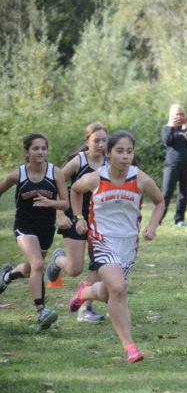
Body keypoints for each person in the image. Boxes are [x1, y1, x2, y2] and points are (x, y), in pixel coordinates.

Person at [68, 131, 164, 362]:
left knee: (112, 291)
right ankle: (129, 345)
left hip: (129, 244)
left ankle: (85, 292)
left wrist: (152, 225)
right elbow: (74, 191)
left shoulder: (140, 178)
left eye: (129, 151)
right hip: (101, 240)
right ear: (108, 153)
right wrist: (78, 218)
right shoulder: (95, 178)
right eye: (120, 151)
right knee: (119, 289)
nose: (125, 156)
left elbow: (159, 201)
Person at [0, 133, 69, 330]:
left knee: (31, 269)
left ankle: (7, 276)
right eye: (36, 148)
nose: (40, 152)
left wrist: (50, 202)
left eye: (43, 148)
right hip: (24, 226)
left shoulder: (55, 173)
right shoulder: (17, 175)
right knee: (38, 263)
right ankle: (42, 312)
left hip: (46, 228)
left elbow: (65, 202)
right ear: (27, 152)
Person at [46, 122, 108, 322]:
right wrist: (61, 215)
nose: (100, 144)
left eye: (104, 141)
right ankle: (58, 260)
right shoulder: (78, 161)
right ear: (87, 141)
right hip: (75, 215)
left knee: (97, 264)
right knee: (74, 269)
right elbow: (57, 184)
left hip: (101, 220)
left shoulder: (110, 161)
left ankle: (85, 308)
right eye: (96, 140)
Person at [161, 104, 187, 226]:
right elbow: (167, 142)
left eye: (181, 114)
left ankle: (179, 219)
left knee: (183, 193)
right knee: (166, 193)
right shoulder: (167, 128)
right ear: (172, 116)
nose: (179, 116)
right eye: (176, 114)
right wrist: (173, 126)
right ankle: (158, 219)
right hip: (172, 164)